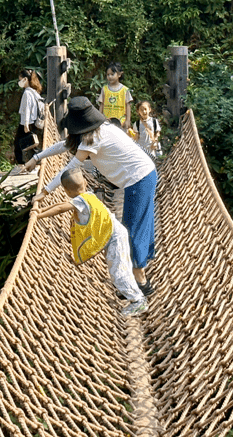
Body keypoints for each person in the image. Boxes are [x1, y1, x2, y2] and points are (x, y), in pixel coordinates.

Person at [25, 96, 157, 295]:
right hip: (142, 176)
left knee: (133, 229)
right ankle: (136, 279)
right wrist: (37, 158)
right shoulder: (98, 130)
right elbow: (64, 145)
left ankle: (141, 283)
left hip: (139, 178)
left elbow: (69, 169)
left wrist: (44, 192)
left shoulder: (94, 138)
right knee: (136, 226)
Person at [36, 168, 149, 316]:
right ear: (86, 182)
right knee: (121, 267)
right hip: (114, 234)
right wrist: (40, 210)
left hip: (114, 237)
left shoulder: (79, 201)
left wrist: (38, 216)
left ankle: (138, 300)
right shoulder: (87, 195)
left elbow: (60, 208)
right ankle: (129, 291)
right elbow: (61, 204)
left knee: (118, 272)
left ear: (67, 191)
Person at [14, 68, 44, 164]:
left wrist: (26, 124)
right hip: (34, 121)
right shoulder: (34, 92)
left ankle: (22, 163)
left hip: (26, 122)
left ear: (25, 79)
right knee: (32, 143)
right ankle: (36, 161)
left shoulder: (27, 93)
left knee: (19, 143)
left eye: (20, 80)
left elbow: (27, 109)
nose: (19, 82)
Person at [97, 62, 133, 129]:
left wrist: (128, 120)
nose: (109, 77)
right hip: (106, 122)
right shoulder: (104, 89)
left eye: (112, 74)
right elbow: (102, 105)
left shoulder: (125, 90)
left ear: (119, 74)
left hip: (121, 123)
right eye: (108, 75)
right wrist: (100, 118)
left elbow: (128, 106)